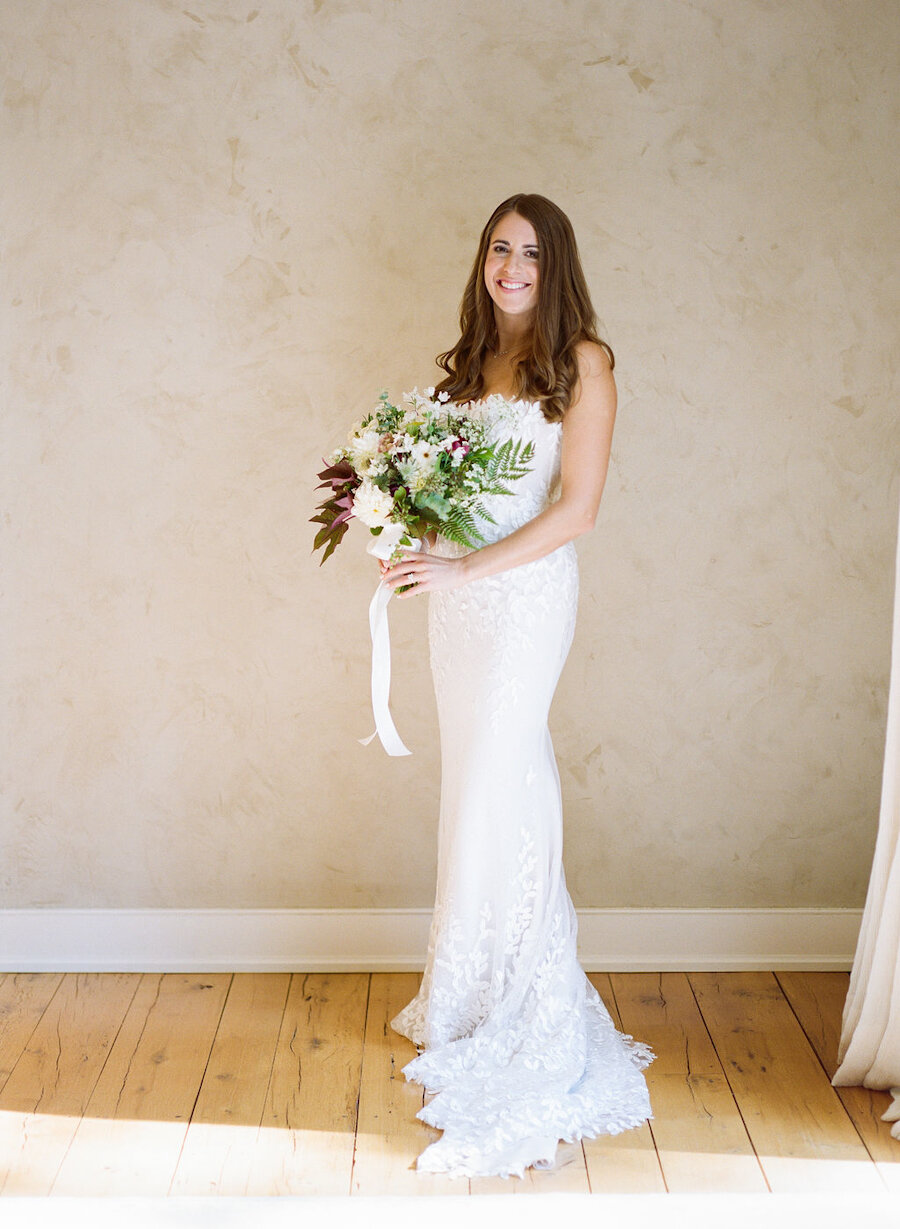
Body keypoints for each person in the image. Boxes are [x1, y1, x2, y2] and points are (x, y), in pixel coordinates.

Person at [381, 193, 652, 1178]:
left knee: (509, 771)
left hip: (525, 601)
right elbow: (451, 497)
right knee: (474, 785)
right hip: (458, 606)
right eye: (500, 248)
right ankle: (469, 992)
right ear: (483, 260)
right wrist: (413, 544)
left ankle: (531, 997)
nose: (511, 265)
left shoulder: (584, 363)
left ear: (556, 264)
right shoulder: (465, 368)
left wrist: (466, 569)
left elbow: (577, 510)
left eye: (530, 251)